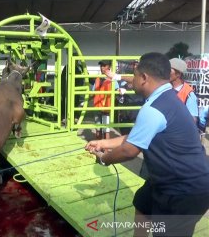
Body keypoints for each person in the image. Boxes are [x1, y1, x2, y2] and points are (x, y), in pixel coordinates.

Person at [85, 52, 209, 236]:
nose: (131, 80)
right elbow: (136, 137)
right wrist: (103, 143)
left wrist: (104, 159)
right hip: (167, 180)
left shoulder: (154, 108)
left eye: (134, 75)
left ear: (144, 78)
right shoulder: (164, 98)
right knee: (143, 202)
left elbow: (129, 151)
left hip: (185, 189)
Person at [92, 60, 119, 139]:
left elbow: (117, 89)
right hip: (97, 106)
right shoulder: (98, 78)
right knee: (98, 129)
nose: (102, 68)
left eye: (104, 66)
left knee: (106, 130)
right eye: (101, 66)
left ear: (109, 67)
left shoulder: (112, 79)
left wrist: (119, 91)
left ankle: (106, 149)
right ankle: (99, 146)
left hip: (106, 107)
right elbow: (93, 91)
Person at [169, 58, 198, 123]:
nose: (166, 72)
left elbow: (192, 120)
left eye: (169, 70)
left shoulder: (189, 94)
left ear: (178, 74)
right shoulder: (163, 88)